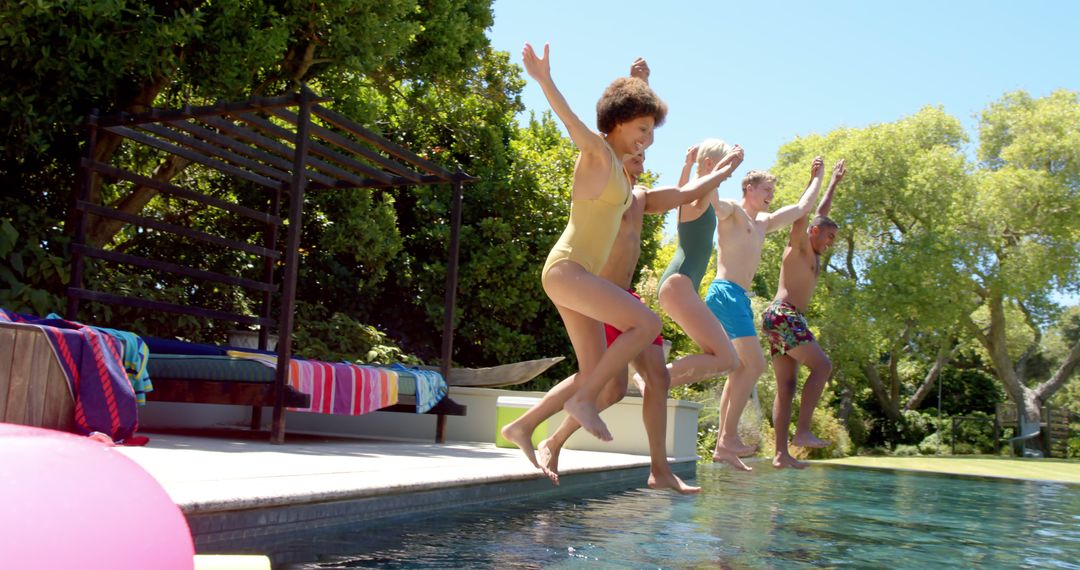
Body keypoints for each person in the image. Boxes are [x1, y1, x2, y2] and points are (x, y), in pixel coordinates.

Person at [538, 138, 744, 493]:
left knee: (656, 381)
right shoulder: (607, 195)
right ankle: (549, 440)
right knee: (605, 388)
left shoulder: (641, 196)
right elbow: (614, 145)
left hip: (626, 299)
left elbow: (683, 193)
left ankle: (659, 471)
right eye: (636, 158)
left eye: (644, 158)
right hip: (602, 299)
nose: (642, 164)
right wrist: (725, 168)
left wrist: (714, 171)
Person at [500, 43, 668, 471]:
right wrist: (543, 79)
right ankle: (581, 400)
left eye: (652, 133)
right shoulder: (596, 153)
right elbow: (573, 120)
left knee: (599, 373)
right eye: (642, 130)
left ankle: (523, 427)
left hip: (576, 277)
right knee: (646, 323)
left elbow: (628, 110)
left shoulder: (618, 164)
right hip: (567, 270)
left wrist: (640, 86)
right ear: (616, 124)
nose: (646, 140)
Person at [667, 156, 827, 471]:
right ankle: (723, 437)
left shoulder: (764, 223)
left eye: (773, 190)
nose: (771, 194)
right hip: (724, 292)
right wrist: (711, 170)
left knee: (740, 368)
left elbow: (801, 208)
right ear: (749, 188)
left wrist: (817, 178)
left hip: (739, 298)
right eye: (767, 188)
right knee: (752, 365)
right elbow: (709, 199)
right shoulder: (732, 211)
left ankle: (723, 444)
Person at [764, 159, 845, 468]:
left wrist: (834, 184)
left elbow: (822, 212)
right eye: (829, 237)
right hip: (784, 315)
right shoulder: (798, 245)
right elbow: (806, 213)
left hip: (781, 320)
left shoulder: (814, 251)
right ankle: (803, 431)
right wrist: (815, 179)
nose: (830, 242)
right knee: (823, 366)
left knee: (786, 387)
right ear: (813, 232)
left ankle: (781, 454)